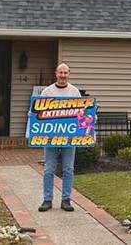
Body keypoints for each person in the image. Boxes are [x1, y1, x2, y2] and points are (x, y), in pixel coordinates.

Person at [38, 63, 80, 212]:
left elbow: (80, 114)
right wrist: (32, 115)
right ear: (56, 73)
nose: (63, 76)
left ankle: (66, 200)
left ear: (69, 74)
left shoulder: (75, 92)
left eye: (65, 73)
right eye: (60, 72)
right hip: (51, 137)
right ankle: (47, 200)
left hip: (69, 137)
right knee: (49, 168)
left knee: (68, 168)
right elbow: (38, 111)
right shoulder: (47, 92)